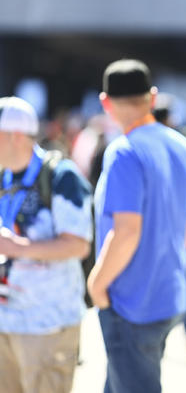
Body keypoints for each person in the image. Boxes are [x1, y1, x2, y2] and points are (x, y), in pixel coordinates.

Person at [87, 59, 186, 393]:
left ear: (105, 103)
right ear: (152, 97)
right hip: (167, 294)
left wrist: (97, 283)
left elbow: (126, 231)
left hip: (130, 301)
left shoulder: (124, 152)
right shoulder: (182, 144)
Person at [0, 96, 93, 393]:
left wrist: (18, 247)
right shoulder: (3, 176)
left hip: (47, 324)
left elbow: (78, 246)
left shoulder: (61, 177)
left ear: (15, 136)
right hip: (6, 321)